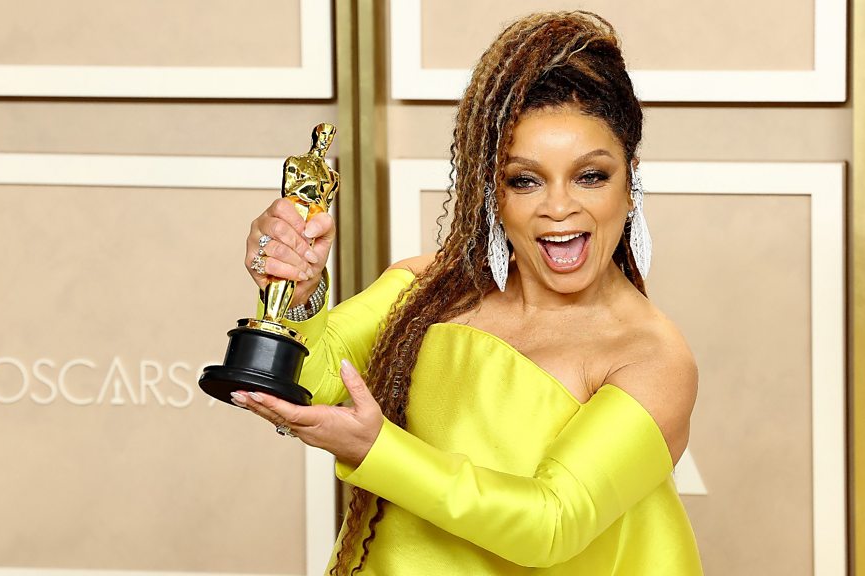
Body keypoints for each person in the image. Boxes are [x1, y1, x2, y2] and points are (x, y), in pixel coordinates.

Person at [232, 11, 703, 575]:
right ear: (492, 195)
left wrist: (376, 451)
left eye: (590, 176)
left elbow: (551, 524)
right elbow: (314, 380)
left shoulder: (651, 358)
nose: (559, 207)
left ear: (630, 184)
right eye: (524, 180)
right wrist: (298, 293)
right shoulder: (428, 289)